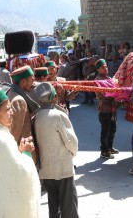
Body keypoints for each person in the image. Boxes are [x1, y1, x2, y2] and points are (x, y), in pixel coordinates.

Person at [34, 82, 79, 218]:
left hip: (46, 169)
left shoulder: (36, 116)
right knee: (69, 204)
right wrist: (72, 154)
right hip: (62, 168)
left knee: (53, 204)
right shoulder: (57, 115)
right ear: (53, 97)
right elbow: (71, 141)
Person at [0, 87, 40, 218]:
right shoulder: (2, 139)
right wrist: (26, 153)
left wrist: (19, 151)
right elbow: (19, 172)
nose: (12, 112)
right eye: (7, 109)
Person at [7, 65, 40, 165]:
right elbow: (15, 131)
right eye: (31, 80)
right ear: (23, 82)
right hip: (23, 152)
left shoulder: (12, 92)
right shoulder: (19, 101)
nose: (33, 83)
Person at [95, 59, 119, 158]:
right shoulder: (98, 80)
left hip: (112, 108)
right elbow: (105, 95)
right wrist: (116, 94)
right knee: (105, 130)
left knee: (113, 129)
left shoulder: (108, 77)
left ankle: (109, 147)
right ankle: (104, 151)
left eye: (106, 66)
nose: (105, 69)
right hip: (105, 108)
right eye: (103, 67)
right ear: (98, 70)